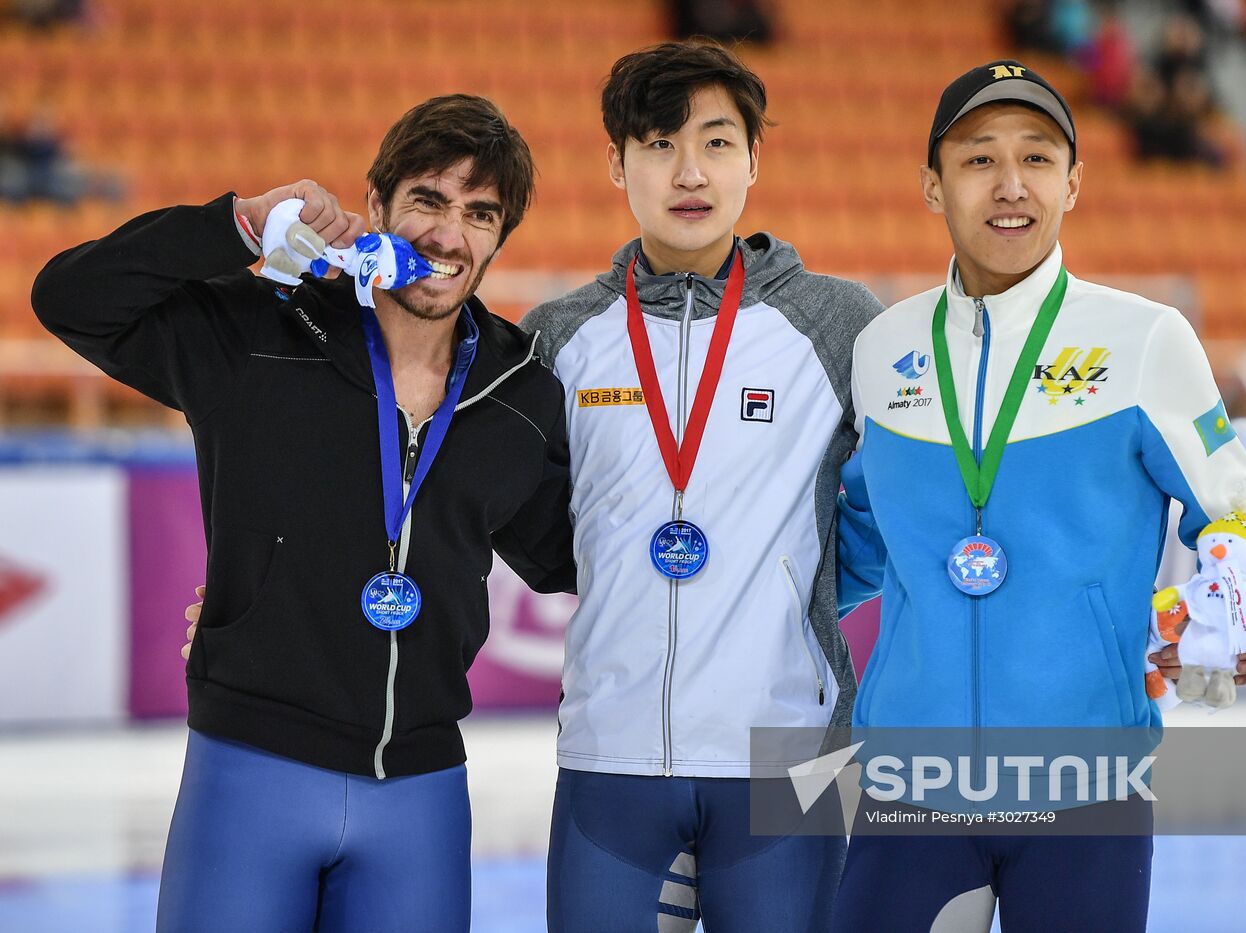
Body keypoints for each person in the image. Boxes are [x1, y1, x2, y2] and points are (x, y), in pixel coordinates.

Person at [32, 94, 575, 932]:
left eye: (479, 214)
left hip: (423, 795)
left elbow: (576, 554)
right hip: (251, 770)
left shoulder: (519, 391)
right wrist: (241, 227)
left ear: (499, 238)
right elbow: (70, 296)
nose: (448, 234)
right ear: (380, 201)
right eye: (428, 200)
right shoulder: (259, 333)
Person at [832, 61, 1246, 932]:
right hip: (911, 786)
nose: (1011, 186)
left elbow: (1238, 513)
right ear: (932, 184)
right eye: (977, 159)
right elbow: (854, 544)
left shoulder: (1145, 340)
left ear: (1074, 182)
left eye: (1037, 159)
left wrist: (1239, 598)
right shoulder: (883, 350)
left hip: (1088, 791)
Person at [521, 40, 883, 932]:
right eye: (657, 143)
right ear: (616, 161)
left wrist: (816, 589)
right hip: (612, 756)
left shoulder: (837, 323)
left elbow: (904, 506)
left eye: (718, 143)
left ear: (754, 160)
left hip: (785, 755)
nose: (690, 171)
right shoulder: (558, 337)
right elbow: (491, 518)